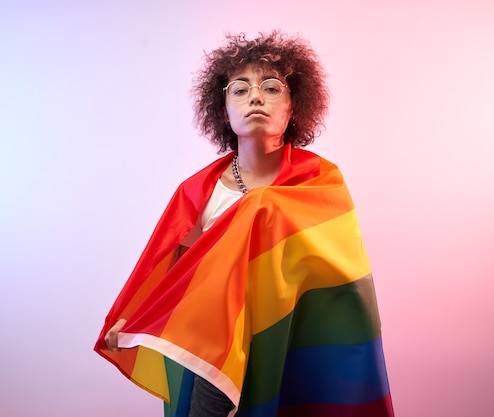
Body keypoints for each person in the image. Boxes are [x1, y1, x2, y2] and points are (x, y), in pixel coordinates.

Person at [95, 30, 394, 417]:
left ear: (292, 107)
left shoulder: (321, 182)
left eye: (271, 88)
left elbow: (341, 277)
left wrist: (262, 213)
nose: (255, 96)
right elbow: (173, 271)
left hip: (291, 340)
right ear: (223, 111)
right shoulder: (198, 192)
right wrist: (137, 317)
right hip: (213, 356)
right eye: (239, 90)